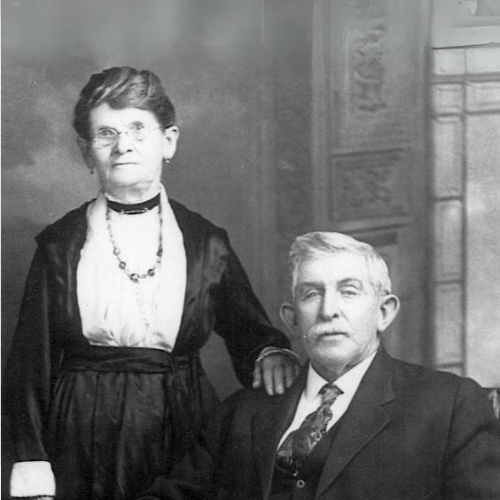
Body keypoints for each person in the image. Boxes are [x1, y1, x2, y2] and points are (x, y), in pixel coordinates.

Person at [3, 66, 300, 500]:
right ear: (87, 152)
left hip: (184, 431)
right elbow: (29, 366)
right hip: (82, 434)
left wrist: (270, 352)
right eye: (105, 134)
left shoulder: (205, 241)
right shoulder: (60, 244)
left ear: (169, 141)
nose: (123, 146)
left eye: (138, 129)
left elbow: (249, 333)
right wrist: (32, 464)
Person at [140, 231, 500, 500]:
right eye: (312, 294)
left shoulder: (448, 405)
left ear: (384, 312)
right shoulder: (241, 412)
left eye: (349, 291)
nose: (329, 310)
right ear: (292, 319)